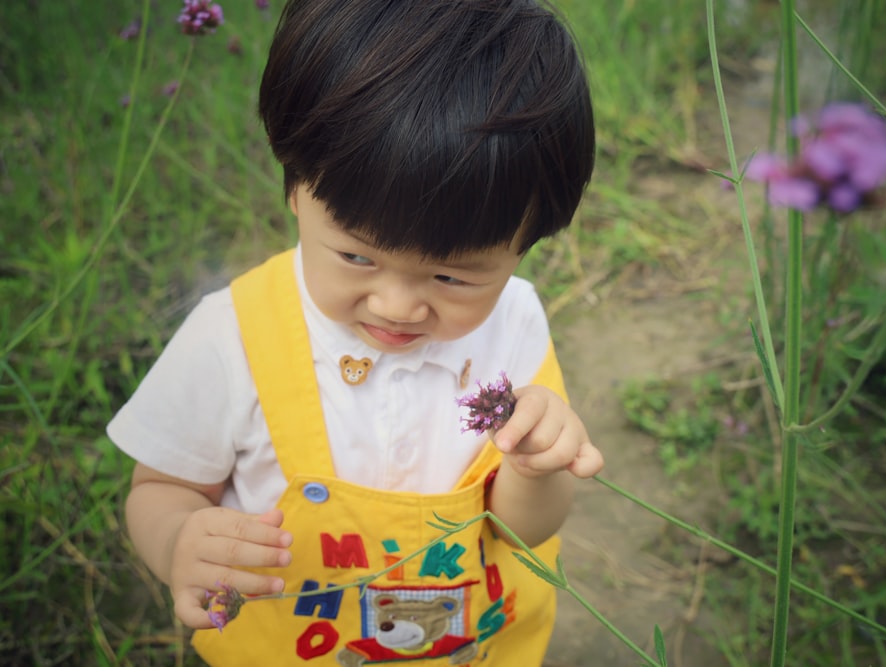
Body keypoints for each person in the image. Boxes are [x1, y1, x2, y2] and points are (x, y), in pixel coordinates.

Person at [107, 0, 603, 664]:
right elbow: (162, 487)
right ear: (295, 189)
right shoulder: (233, 338)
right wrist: (177, 542)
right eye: (357, 257)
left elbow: (523, 528)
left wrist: (537, 467)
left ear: (526, 246)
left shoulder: (512, 324)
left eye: (452, 278)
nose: (397, 305)